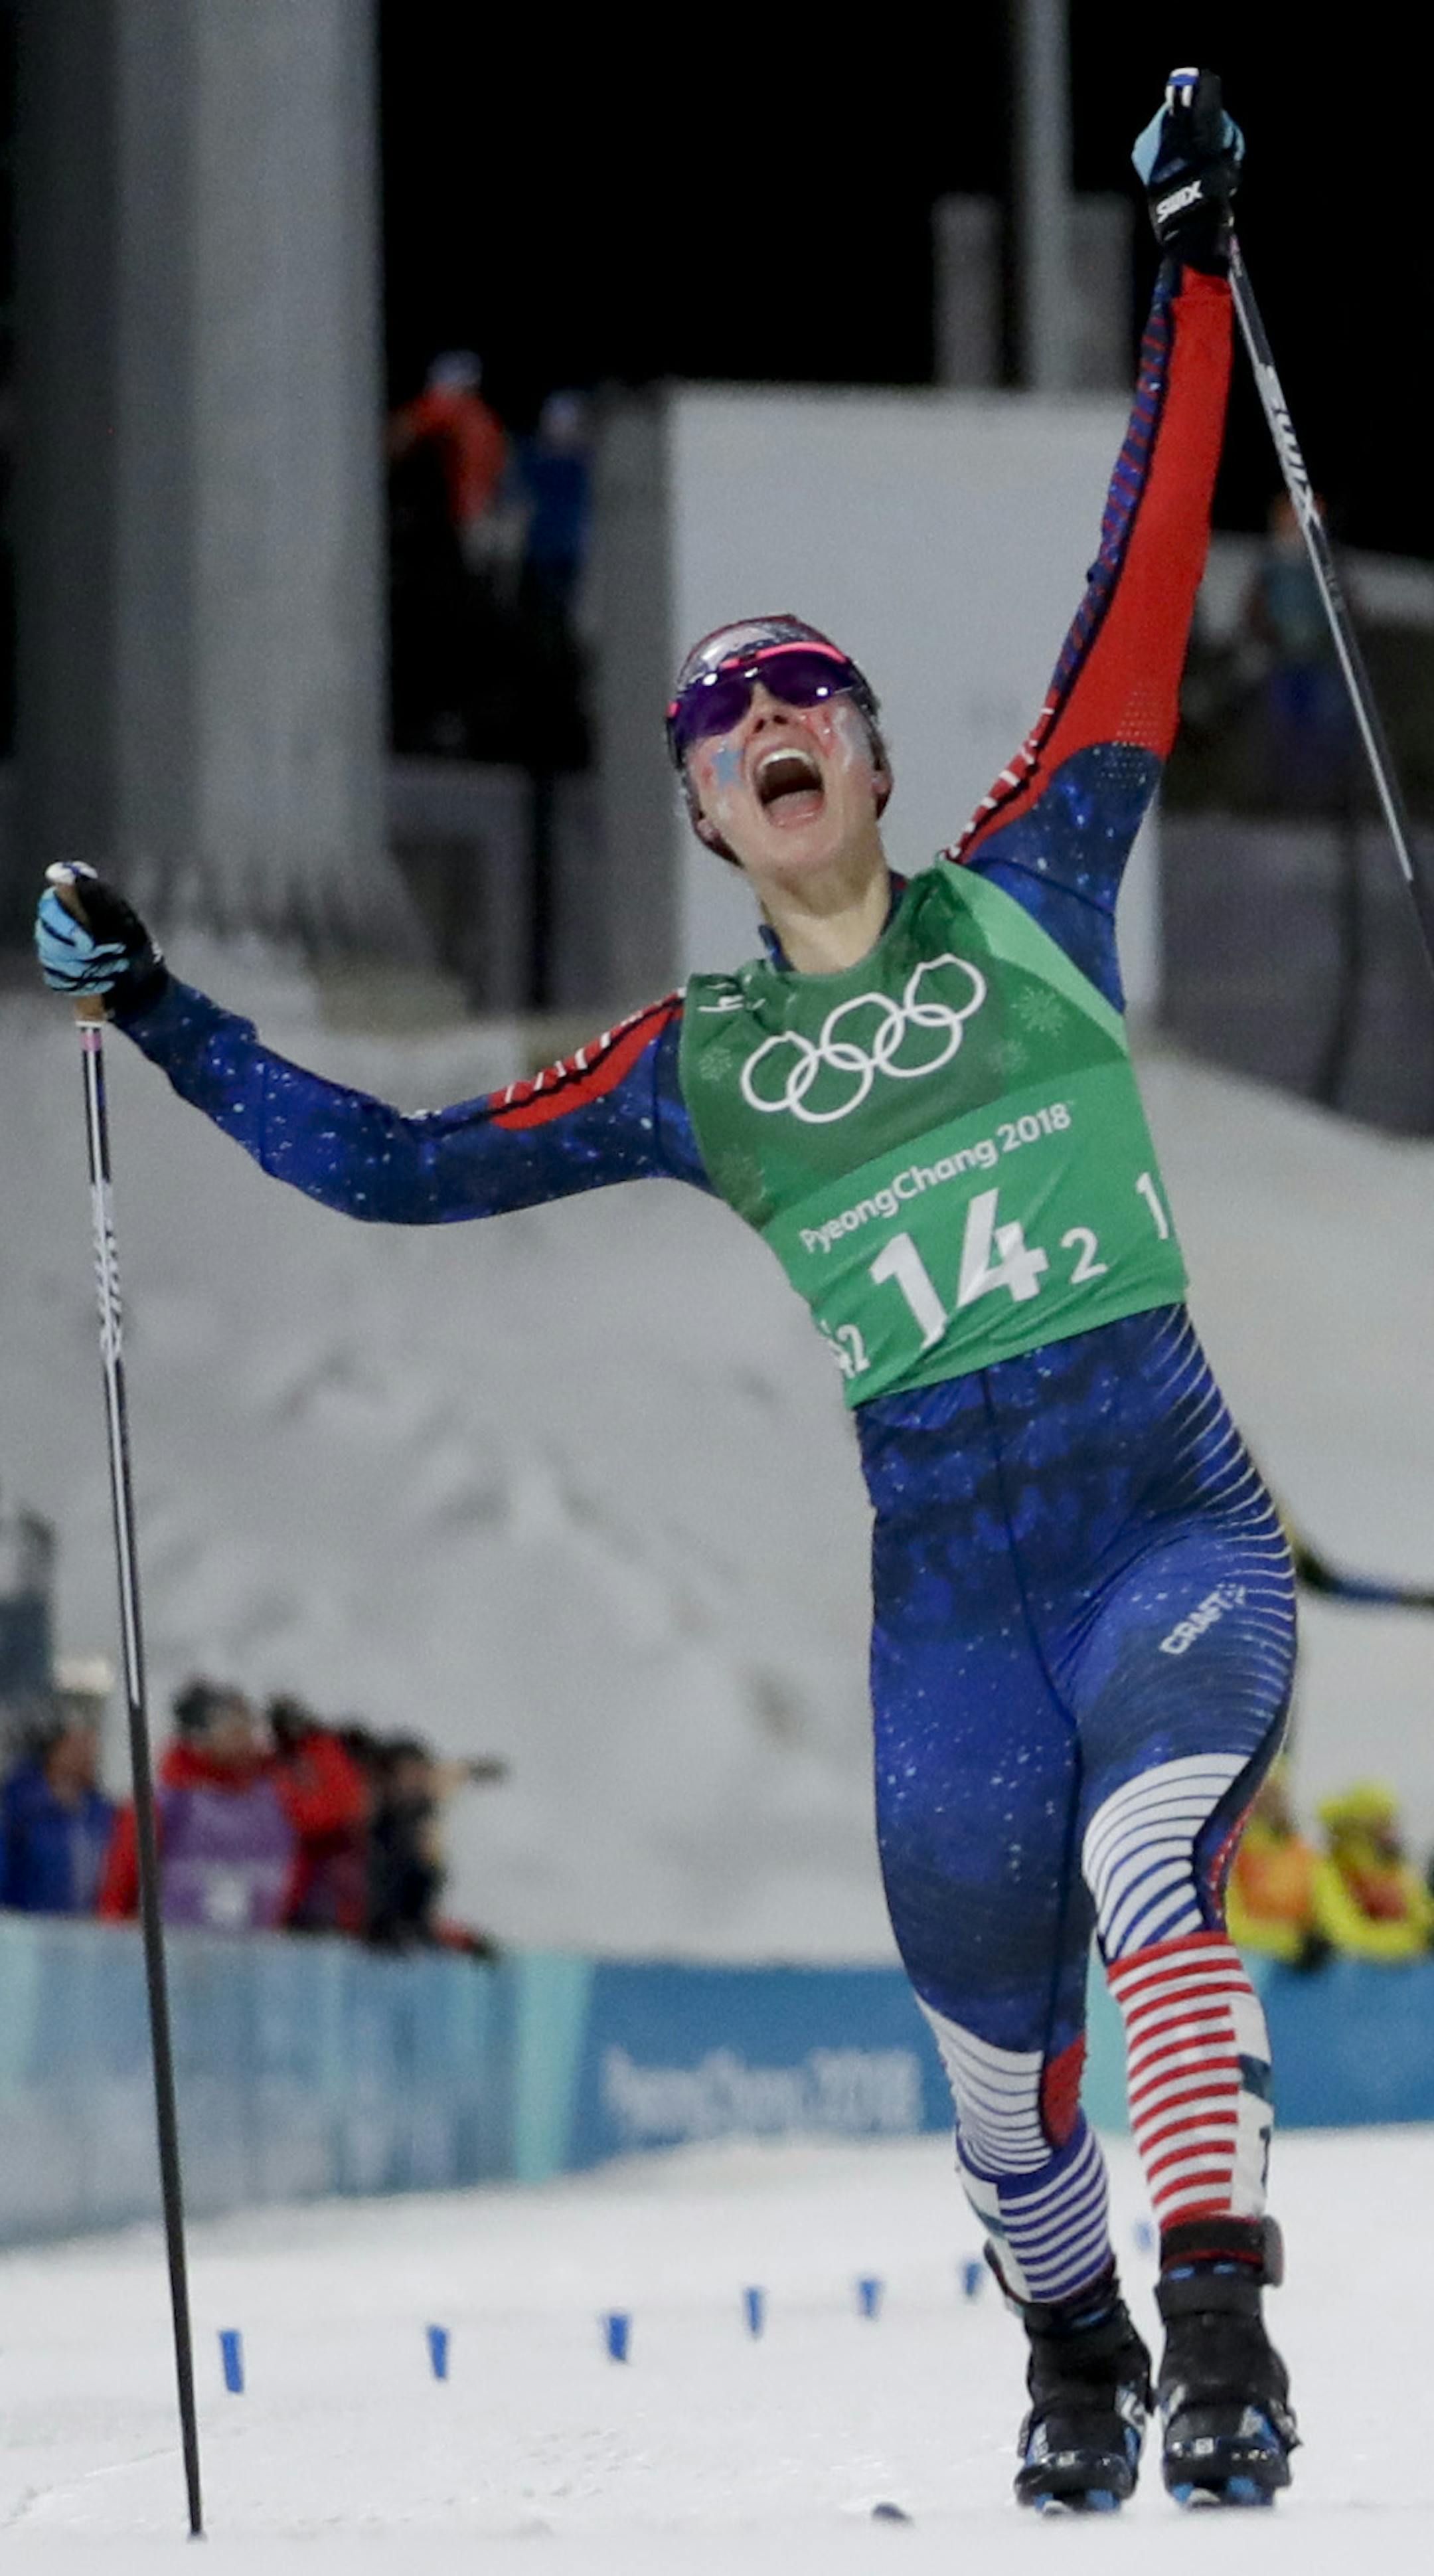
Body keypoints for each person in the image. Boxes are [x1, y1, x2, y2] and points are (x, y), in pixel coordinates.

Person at [35, 71, 1296, 2514]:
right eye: (720, 722)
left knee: (1154, 1863)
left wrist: (1196, 268)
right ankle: (1073, 2346)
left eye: (803, 691)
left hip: (1162, 1522)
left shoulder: (1038, 881)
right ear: (708, 821)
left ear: (873, 756)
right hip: (952, 1605)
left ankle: (1224, 2333)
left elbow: (1141, 570)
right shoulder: (697, 1065)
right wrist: (168, 1015)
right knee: (989, 2066)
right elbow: (398, 1167)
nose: (766, 720)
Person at [100, 1678, 296, 1933]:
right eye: (234, 1730)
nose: (247, 1739)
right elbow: (121, 1882)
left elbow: (331, 1813)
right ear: (201, 1737)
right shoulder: (166, 1801)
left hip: (266, 1947)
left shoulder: (278, 1793)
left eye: (248, 1728)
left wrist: (312, 1741)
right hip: (180, 1947)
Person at [0, 1698, 114, 1915]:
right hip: (27, 1926)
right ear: (54, 1751)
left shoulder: (100, 1811)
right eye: (77, 1745)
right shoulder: (21, 1810)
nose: (89, 1752)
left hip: (87, 1927)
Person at [1311, 1783, 1434, 1963]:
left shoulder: (1398, 1872)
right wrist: (1413, 1942)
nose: (1394, 1833)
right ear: (1360, 1831)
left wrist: (1422, 1936)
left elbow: (1424, 1922)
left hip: (1404, 1975)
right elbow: (1346, 1937)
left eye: (1393, 1823)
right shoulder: (1331, 1872)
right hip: (1352, 1976)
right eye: (1384, 1825)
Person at [1224, 1765, 1326, 1969]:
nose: (1275, 1802)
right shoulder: (1231, 1855)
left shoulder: (1303, 1853)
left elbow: (1326, 1911)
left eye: (1279, 1793)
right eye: (1266, 1793)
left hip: (1300, 1965)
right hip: (1253, 1961)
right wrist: (1291, 1942)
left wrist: (1320, 1939)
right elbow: (1229, 1924)